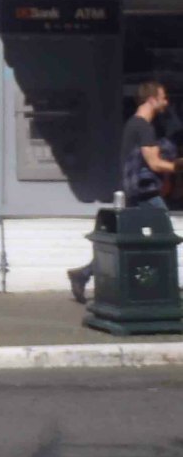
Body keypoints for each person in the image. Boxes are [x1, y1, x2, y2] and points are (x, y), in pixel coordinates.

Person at [69, 81, 178, 303]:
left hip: (137, 193)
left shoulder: (137, 125)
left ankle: (83, 274)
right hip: (145, 195)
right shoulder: (142, 127)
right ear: (151, 99)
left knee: (129, 240)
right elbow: (155, 163)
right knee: (165, 236)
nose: (166, 102)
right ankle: (166, 288)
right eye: (163, 97)